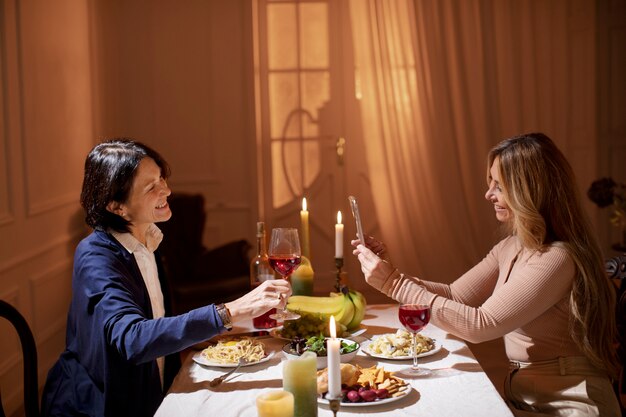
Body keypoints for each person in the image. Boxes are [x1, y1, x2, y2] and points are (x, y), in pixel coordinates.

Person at [352, 133, 621, 416]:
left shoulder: (558, 258)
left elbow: (481, 325)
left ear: (530, 190)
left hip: (571, 402)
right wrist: (390, 273)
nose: (488, 194)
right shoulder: (512, 245)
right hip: (529, 395)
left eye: (499, 186)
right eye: (490, 184)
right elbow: (457, 295)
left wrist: (393, 282)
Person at [41, 139, 290, 417]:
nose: (167, 190)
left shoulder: (148, 238)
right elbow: (132, 340)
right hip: (101, 405)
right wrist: (229, 312)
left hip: (152, 392)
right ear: (116, 206)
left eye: (161, 178)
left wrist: (217, 331)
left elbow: (156, 321)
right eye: (151, 187)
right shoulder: (96, 258)